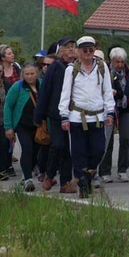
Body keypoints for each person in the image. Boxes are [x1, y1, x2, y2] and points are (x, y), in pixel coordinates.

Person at [58, 36, 115, 198]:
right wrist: (64, 116)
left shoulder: (102, 67)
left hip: (97, 118)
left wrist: (109, 112)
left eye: (91, 50)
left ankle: (87, 177)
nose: (88, 53)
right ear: (79, 51)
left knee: (98, 151)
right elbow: (65, 94)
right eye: (85, 50)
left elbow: (107, 92)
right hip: (77, 118)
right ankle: (83, 186)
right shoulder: (71, 69)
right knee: (78, 153)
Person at [35, 37, 78, 194]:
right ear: (60, 50)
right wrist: (38, 115)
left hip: (73, 114)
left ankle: (65, 182)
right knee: (57, 145)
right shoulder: (55, 67)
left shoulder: (78, 67)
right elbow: (45, 91)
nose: (71, 49)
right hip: (55, 114)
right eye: (68, 47)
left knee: (68, 149)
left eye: (73, 46)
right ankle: (49, 174)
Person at [4, 64, 43, 192]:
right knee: (27, 149)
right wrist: (8, 127)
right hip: (23, 125)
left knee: (36, 152)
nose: (30, 76)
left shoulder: (42, 85)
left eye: (32, 73)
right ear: (23, 75)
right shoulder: (18, 87)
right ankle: (28, 179)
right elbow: (8, 106)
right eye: (27, 74)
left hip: (39, 125)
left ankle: (27, 172)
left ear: (37, 74)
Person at [98, 47, 129, 183]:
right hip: (109, 109)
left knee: (126, 138)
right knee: (108, 140)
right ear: (111, 61)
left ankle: (122, 169)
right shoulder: (105, 71)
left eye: (122, 62)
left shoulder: (128, 72)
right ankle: (105, 171)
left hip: (125, 109)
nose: (119, 65)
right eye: (117, 62)